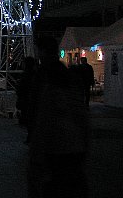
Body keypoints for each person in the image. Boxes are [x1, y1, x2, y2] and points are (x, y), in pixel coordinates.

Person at [27, 36, 89, 198]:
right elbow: (82, 115)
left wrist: (36, 149)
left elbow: (41, 115)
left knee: (51, 186)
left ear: (42, 52)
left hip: (53, 146)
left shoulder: (44, 77)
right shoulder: (71, 77)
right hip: (75, 145)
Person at [16, 57, 37, 143]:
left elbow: (21, 88)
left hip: (27, 99)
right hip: (30, 99)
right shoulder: (35, 74)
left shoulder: (26, 75)